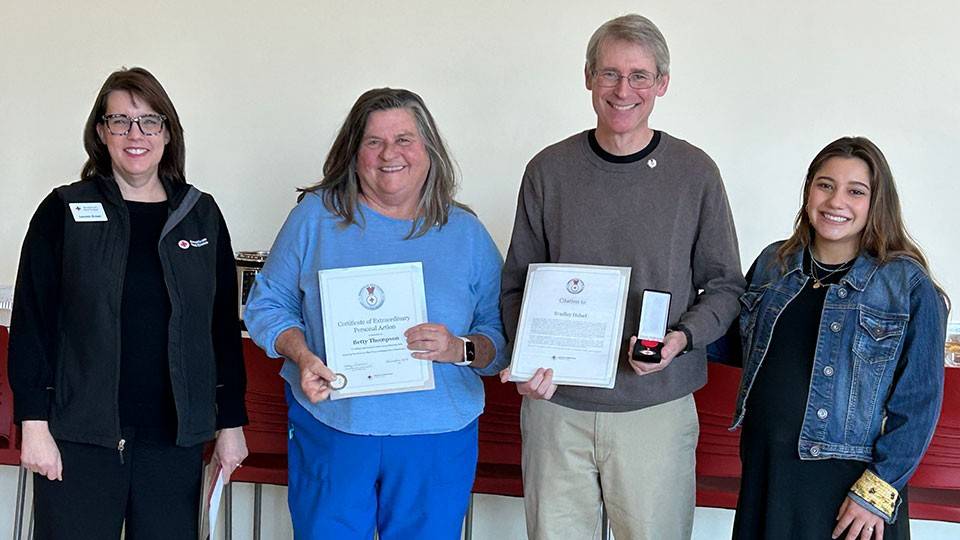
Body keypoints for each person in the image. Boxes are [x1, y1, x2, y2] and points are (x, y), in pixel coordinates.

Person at [499, 14, 745, 540]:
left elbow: (726, 286)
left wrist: (680, 339)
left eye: (639, 75)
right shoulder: (548, 170)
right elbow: (517, 285)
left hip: (655, 409)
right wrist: (531, 355)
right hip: (556, 408)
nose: (623, 89)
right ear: (588, 78)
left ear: (662, 84)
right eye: (609, 73)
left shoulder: (695, 173)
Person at [243, 87, 507, 539]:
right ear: (354, 151)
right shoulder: (314, 219)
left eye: (404, 139)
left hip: (437, 437)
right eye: (374, 141)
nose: (390, 154)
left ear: (429, 150)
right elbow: (266, 304)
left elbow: (499, 338)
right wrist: (303, 356)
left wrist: (457, 349)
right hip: (334, 427)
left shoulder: (465, 232)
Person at [7, 67, 248, 539]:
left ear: (167, 131)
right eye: (120, 121)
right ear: (101, 132)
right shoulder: (63, 211)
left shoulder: (199, 214)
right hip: (79, 436)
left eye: (149, 121)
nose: (135, 134)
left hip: (174, 438)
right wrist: (32, 425)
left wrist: (231, 423)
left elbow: (221, 329)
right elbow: (32, 322)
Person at [724, 136, 948, 540]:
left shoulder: (907, 286)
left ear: (876, 203)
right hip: (768, 472)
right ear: (809, 190)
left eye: (855, 191)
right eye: (825, 185)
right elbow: (733, 345)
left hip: (851, 491)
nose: (835, 201)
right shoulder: (774, 264)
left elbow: (919, 402)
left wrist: (876, 494)